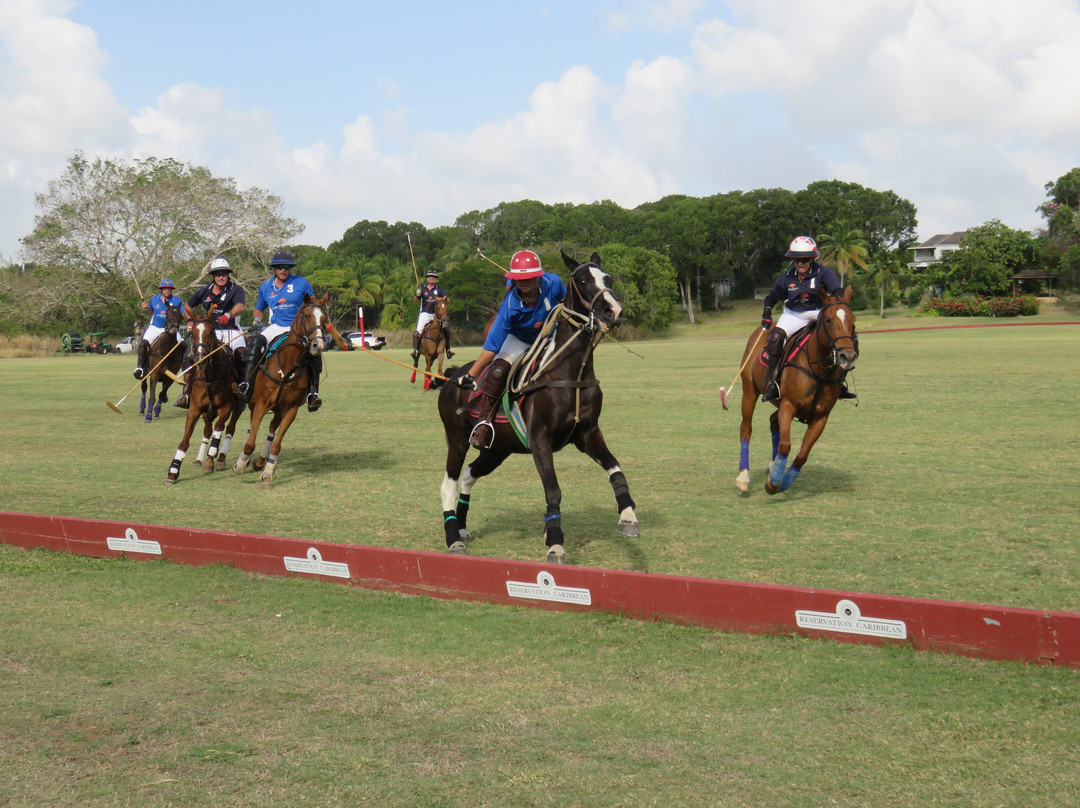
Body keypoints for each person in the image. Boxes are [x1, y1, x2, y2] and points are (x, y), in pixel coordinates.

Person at [455, 250, 566, 448]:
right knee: (497, 371)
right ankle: (484, 423)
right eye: (518, 279)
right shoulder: (510, 304)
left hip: (550, 336)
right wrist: (471, 374)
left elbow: (567, 301)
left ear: (538, 276)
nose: (523, 284)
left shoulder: (553, 282)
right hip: (520, 339)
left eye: (528, 279)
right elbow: (492, 347)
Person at [760, 236, 856, 402]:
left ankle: (839, 382)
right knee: (775, 338)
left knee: (847, 339)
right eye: (796, 260)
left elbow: (837, 290)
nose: (800, 263)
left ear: (812, 259)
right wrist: (767, 312)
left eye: (804, 260)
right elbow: (772, 296)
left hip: (818, 313)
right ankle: (774, 384)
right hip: (793, 315)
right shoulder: (788, 276)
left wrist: (839, 305)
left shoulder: (823, 272)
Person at [241, 249, 324, 412]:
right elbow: (259, 309)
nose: (283, 270)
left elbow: (313, 304)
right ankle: (246, 384)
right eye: (279, 267)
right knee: (255, 343)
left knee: (314, 352)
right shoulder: (265, 287)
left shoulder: (301, 283)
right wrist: (256, 321)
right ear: (274, 268)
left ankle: (313, 393)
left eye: (286, 266)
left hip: (298, 329)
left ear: (290, 267)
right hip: (276, 326)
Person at [175, 257, 247, 408]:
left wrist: (228, 315)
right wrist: (190, 320)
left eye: (224, 274)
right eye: (218, 274)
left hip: (230, 330)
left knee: (241, 354)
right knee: (189, 354)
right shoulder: (204, 291)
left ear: (228, 275)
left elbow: (241, 307)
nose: (221, 277)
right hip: (209, 332)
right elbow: (187, 307)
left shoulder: (235, 289)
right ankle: (186, 393)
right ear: (213, 276)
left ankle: (241, 388)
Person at [132, 278, 182, 379]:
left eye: (169, 288)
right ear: (161, 290)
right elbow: (151, 311)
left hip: (171, 330)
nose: (167, 290)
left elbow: (183, 313)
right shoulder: (155, 299)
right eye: (165, 288)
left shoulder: (177, 300)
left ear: (171, 290)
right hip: (156, 327)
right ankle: (140, 367)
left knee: (182, 344)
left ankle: (183, 367)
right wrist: (146, 307)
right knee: (144, 343)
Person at [411, 269, 453, 360]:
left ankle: (448, 350)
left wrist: (444, 299)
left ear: (435, 278)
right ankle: (415, 350)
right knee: (417, 332)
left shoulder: (439, 289)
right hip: (424, 314)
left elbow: (447, 300)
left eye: (433, 277)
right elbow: (415, 301)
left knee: (446, 330)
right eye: (430, 277)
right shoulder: (422, 288)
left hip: (436, 315)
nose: (431, 278)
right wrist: (418, 295)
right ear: (427, 278)